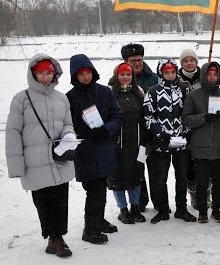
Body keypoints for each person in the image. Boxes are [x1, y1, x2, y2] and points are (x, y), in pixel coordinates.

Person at [6, 54, 76, 258]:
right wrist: (16, 166)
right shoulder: (21, 98)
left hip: (59, 159)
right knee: (43, 202)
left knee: (61, 201)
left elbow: (67, 124)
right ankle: (52, 237)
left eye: (49, 73)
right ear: (33, 74)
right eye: (41, 73)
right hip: (35, 163)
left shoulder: (61, 98)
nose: (45, 77)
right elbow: (13, 132)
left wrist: (69, 135)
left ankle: (57, 238)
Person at [67, 54, 124, 244]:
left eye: (88, 72)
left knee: (102, 187)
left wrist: (106, 129)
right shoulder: (70, 98)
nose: (85, 77)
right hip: (86, 151)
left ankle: (98, 219)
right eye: (81, 74)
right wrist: (82, 129)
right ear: (75, 76)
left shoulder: (105, 92)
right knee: (94, 190)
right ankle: (89, 228)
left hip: (105, 147)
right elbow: (67, 125)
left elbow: (117, 116)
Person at [144, 58, 196, 223]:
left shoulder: (184, 89)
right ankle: (163, 209)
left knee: (181, 177)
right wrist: (160, 131)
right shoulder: (152, 91)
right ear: (161, 73)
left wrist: (186, 131)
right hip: (161, 142)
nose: (170, 75)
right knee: (161, 178)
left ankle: (181, 208)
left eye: (173, 71)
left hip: (180, 141)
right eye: (166, 72)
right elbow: (148, 117)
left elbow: (189, 112)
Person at [182, 62, 220, 223]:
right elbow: (186, 119)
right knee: (202, 182)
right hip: (200, 148)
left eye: (215, 74)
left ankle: (217, 210)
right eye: (209, 74)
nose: (212, 77)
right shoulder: (193, 96)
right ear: (204, 75)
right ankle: (203, 211)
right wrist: (203, 118)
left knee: (218, 181)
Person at [110, 43, 159, 213]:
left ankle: (150, 203)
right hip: (123, 140)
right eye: (133, 61)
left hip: (144, 136)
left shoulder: (153, 78)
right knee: (124, 174)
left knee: (145, 171)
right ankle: (136, 204)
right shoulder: (112, 87)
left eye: (139, 60)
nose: (137, 63)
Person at [109, 63, 148, 225]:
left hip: (138, 143)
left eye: (128, 75)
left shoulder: (139, 94)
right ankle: (123, 209)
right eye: (122, 74)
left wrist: (147, 143)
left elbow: (145, 119)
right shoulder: (110, 95)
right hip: (118, 144)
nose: (126, 77)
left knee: (136, 176)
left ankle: (135, 207)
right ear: (117, 76)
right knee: (118, 178)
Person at [177, 49, 202, 210]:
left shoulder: (204, 78)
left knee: (203, 163)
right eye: (185, 60)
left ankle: (205, 194)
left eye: (191, 60)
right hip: (184, 128)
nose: (189, 63)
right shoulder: (176, 80)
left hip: (202, 126)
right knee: (189, 166)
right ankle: (193, 195)